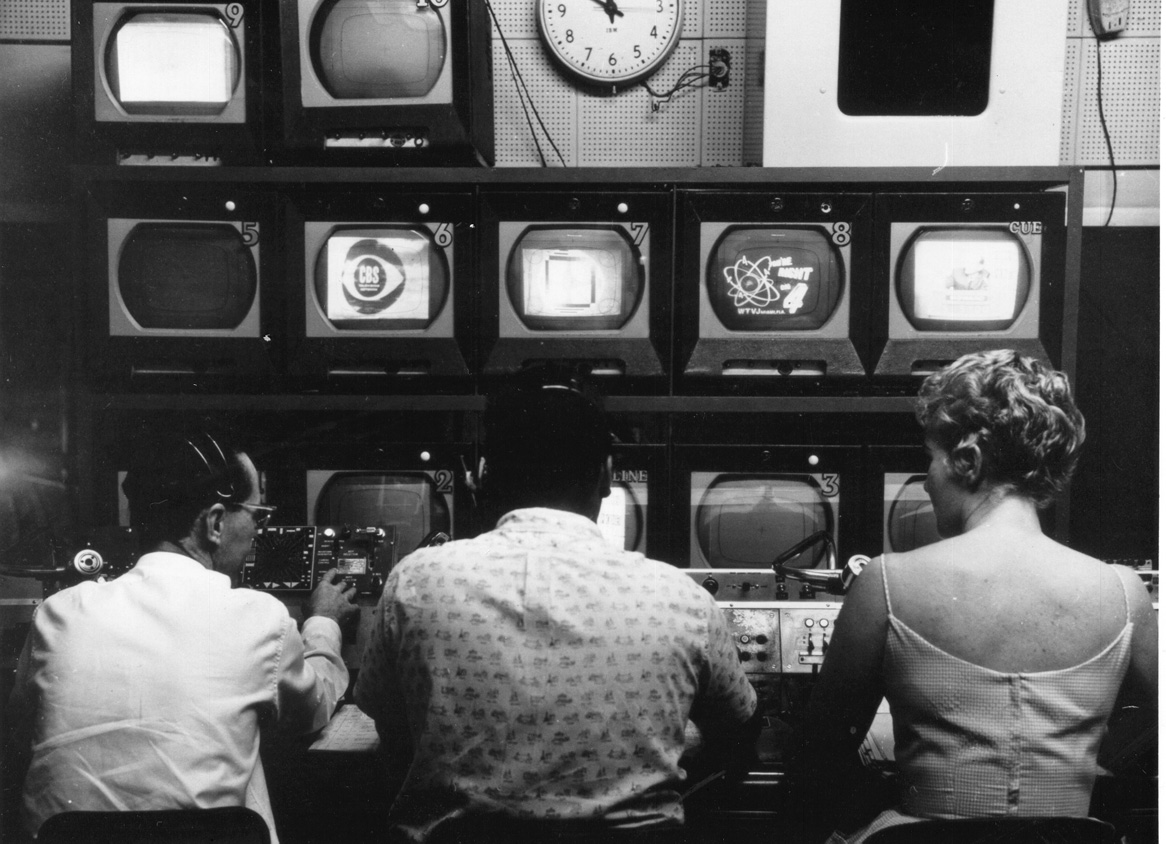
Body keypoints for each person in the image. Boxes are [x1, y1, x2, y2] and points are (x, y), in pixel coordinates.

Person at [355, 378, 760, 842]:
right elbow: (739, 732)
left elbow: (391, 732)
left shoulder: (415, 581)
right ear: (607, 475)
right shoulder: (682, 597)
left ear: (483, 474)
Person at [787, 349, 1158, 843]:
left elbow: (819, 746)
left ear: (967, 460)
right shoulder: (1125, 594)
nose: (926, 478)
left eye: (931, 458)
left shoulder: (885, 584)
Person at [7, 428, 359, 843]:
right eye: (257, 516)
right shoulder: (258, 616)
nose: (259, 531)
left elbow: (18, 736)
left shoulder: (59, 612)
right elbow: (311, 712)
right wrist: (325, 623)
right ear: (214, 522)